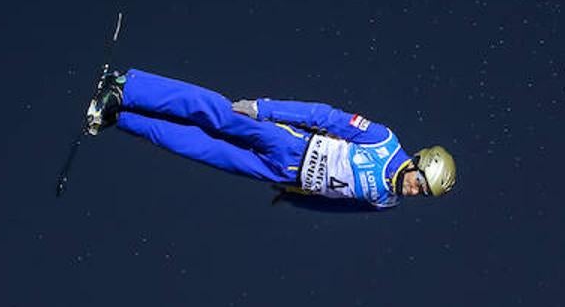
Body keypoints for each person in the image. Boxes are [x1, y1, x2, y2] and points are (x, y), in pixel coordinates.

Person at [84, 68, 455, 209]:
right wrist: (264, 109)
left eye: (423, 194)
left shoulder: (385, 200)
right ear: (420, 163)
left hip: (284, 174)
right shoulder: (382, 141)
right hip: (292, 142)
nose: (414, 191)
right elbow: (323, 116)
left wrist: (297, 200)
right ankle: (127, 87)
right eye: (420, 183)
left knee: (198, 148)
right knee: (215, 114)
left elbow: (340, 204)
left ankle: (119, 115)